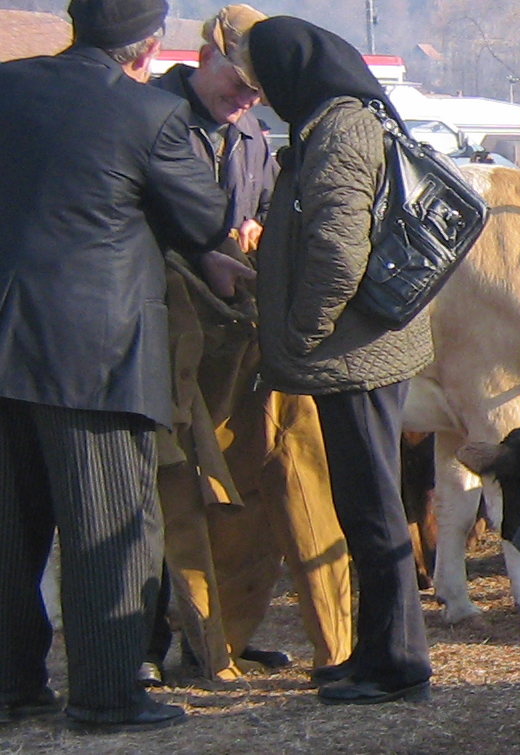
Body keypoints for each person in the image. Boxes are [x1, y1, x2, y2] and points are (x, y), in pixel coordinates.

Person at [0, 0, 253, 732]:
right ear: (146, 47)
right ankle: (105, 694)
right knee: (107, 525)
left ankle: (14, 687)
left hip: (6, 337)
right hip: (94, 350)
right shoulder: (148, 116)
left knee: (12, 533)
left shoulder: (9, 85)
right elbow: (203, 216)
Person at [146, 3, 352, 685]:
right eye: (237, 83)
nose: (244, 99)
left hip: (230, 342)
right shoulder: (147, 119)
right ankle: (153, 641)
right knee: (166, 490)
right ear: (203, 56)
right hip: (156, 335)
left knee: (240, 493)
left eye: (256, 91)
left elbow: (257, 214)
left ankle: (224, 635)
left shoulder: (255, 139)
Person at [245, 16, 433, 705]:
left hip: (355, 352)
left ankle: (399, 665)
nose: (261, 92)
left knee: (375, 509)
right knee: (362, 506)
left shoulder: (341, 132)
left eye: (265, 79)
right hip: (355, 349)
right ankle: (373, 651)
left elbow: (336, 250)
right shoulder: (335, 123)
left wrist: (301, 332)